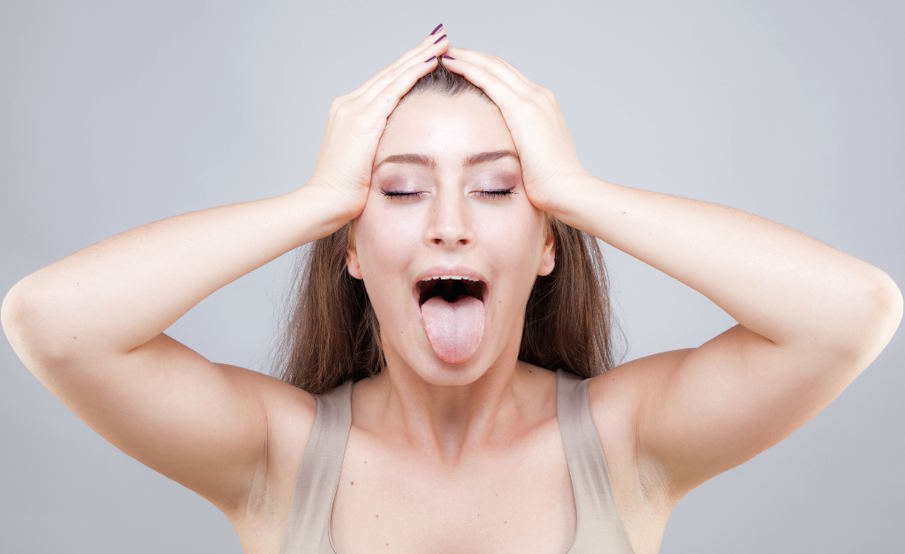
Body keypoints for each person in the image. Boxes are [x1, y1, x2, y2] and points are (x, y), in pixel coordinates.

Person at [1, 23, 901, 554]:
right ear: (351, 251)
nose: (448, 224)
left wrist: (576, 190)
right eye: (399, 191)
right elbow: (50, 322)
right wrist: (316, 202)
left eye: (498, 188)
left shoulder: (625, 441)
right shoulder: (278, 456)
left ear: (545, 244)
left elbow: (851, 313)